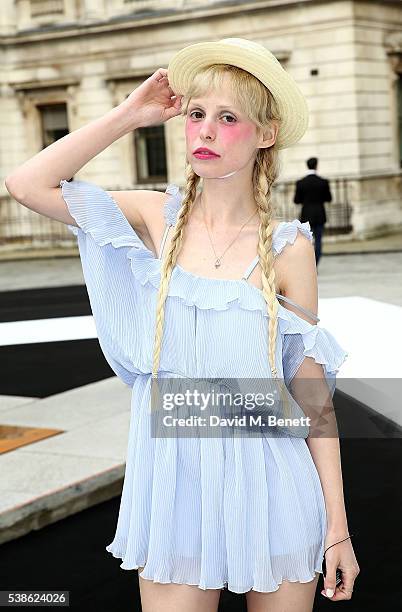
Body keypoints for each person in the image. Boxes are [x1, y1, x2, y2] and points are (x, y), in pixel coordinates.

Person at [5, 38, 359, 612]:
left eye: (227, 118)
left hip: (274, 484)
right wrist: (129, 115)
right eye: (196, 115)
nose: (206, 132)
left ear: (266, 134)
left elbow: (313, 402)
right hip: (173, 488)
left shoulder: (289, 248)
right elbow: (27, 185)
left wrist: (338, 529)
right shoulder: (153, 218)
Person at [293, 157, 332, 266]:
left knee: (307, 242)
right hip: (320, 214)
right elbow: (328, 198)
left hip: (306, 215)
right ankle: (316, 263)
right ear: (316, 165)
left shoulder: (300, 183)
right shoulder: (323, 182)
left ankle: (309, 264)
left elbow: (296, 200)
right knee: (318, 241)